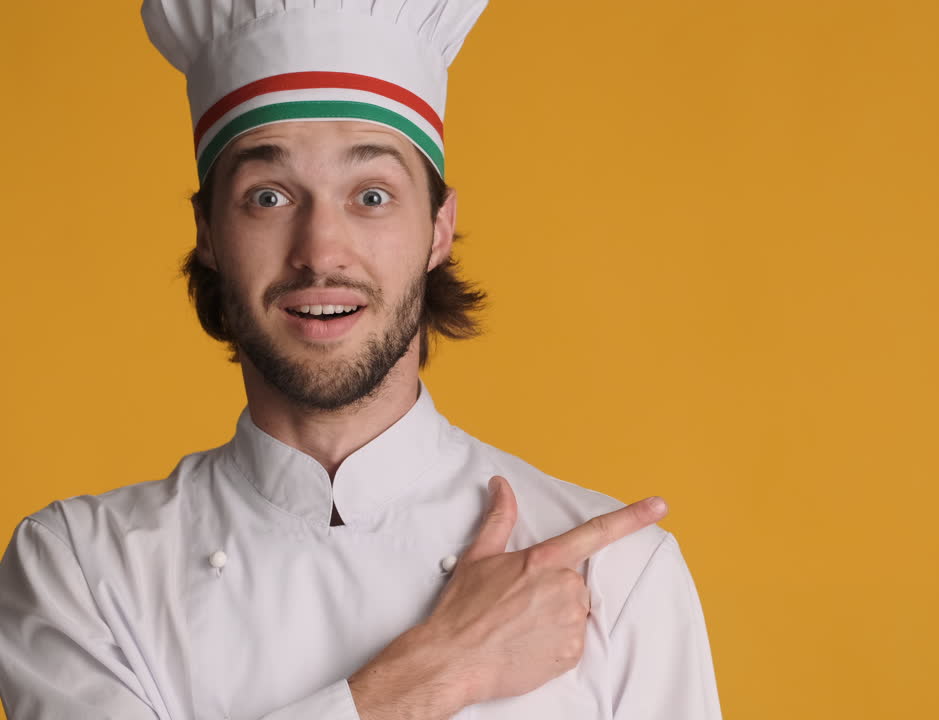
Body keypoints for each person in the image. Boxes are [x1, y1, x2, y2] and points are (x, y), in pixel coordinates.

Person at [0, 1, 721, 719]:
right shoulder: (80, 569)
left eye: (371, 196)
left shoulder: (615, 576)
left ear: (438, 229)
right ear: (210, 232)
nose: (321, 251)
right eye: (269, 196)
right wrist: (440, 669)